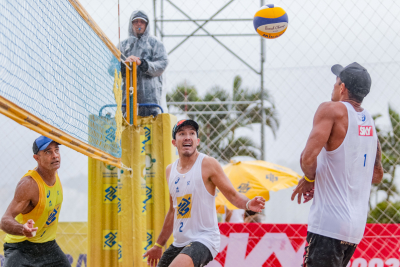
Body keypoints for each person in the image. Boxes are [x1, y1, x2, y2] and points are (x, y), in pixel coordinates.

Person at [291, 62, 384, 267]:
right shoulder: (369, 121)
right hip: (354, 228)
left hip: (328, 224)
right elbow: (376, 175)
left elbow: (307, 158)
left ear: (342, 88)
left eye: (336, 81)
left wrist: (309, 179)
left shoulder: (332, 110)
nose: (333, 86)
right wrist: (328, 182)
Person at [143, 119, 265, 267]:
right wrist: (158, 245)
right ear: (174, 142)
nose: (187, 137)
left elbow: (232, 195)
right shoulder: (170, 170)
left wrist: (248, 203)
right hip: (179, 243)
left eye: (192, 133)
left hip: (204, 239)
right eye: (182, 133)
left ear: (197, 141)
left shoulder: (208, 164)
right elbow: (172, 211)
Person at [0, 136, 70, 266]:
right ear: (36, 158)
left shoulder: (55, 174)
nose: (55, 155)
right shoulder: (29, 184)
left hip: (48, 246)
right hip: (21, 248)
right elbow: (4, 221)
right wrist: (23, 229)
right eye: (48, 152)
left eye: (56, 150)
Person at [118, 10, 168, 117]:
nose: (139, 24)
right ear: (131, 24)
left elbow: (162, 64)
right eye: (135, 21)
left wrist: (143, 64)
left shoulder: (156, 44)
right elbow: (112, 68)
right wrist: (124, 66)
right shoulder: (123, 46)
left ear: (147, 25)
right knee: (128, 129)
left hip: (151, 100)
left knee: (150, 130)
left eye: (142, 22)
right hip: (128, 100)